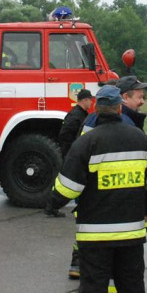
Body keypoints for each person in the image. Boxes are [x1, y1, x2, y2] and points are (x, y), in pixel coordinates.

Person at [49, 85, 147, 293]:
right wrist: (146, 208)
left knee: (93, 288)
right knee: (132, 285)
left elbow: (68, 189)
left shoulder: (87, 142)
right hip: (132, 233)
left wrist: (51, 204)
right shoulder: (139, 138)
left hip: (96, 234)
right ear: (120, 107)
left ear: (96, 109)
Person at [45, 89, 94, 219]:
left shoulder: (80, 114)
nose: (92, 102)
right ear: (84, 100)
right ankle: (51, 207)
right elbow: (64, 135)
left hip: (73, 153)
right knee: (69, 183)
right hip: (71, 154)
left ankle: (53, 207)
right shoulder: (76, 116)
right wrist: (73, 151)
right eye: (90, 100)